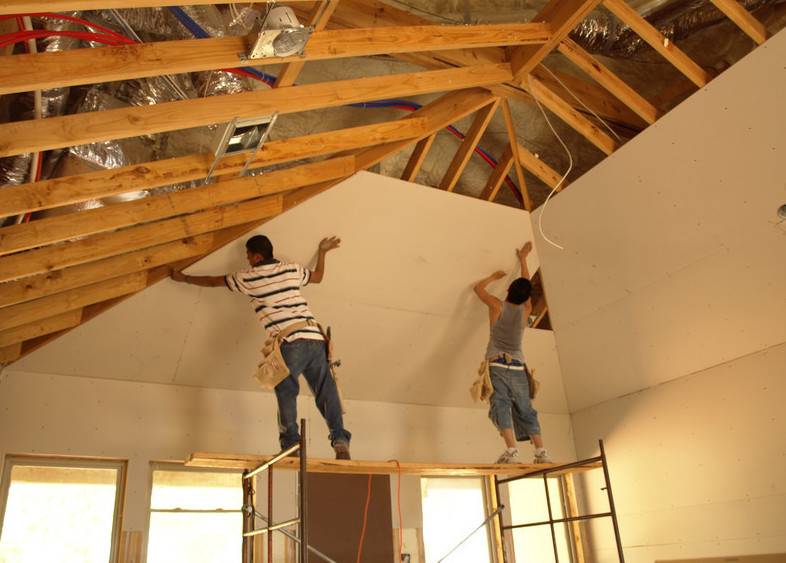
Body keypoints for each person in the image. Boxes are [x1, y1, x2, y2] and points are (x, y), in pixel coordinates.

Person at [170, 235, 352, 460]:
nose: (247, 261)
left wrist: (183, 278)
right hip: (315, 337)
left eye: (248, 256)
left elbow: (211, 281)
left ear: (256, 256)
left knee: (286, 391)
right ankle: (340, 440)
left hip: (290, 341)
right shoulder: (291, 269)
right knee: (326, 391)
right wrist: (322, 251)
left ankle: (292, 445)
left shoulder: (248, 277)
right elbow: (318, 277)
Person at [473, 241, 552, 464]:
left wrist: (493, 277)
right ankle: (541, 452)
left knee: (501, 405)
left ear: (508, 290)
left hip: (497, 364)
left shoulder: (497, 306)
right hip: (518, 366)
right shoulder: (526, 310)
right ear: (526, 297)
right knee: (526, 408)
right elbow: (526, 285)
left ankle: (512, 451)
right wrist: (524, 260)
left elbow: (477, 290)